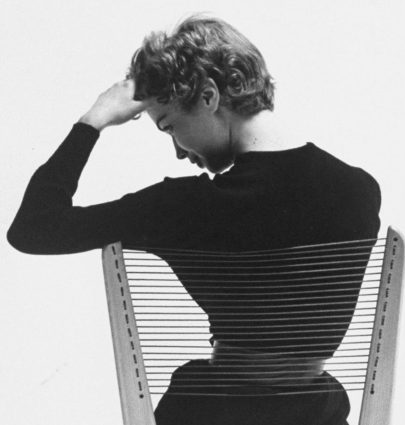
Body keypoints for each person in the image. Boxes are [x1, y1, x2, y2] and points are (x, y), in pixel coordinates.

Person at [7, 15, 381, 425]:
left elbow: (33, 228)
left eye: (170, 127)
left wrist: (92, 121)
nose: (179, 152)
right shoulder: (360, 190)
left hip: (214, 414)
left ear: (208, 97)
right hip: (319, 415)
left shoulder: (186, 206)